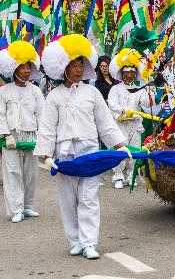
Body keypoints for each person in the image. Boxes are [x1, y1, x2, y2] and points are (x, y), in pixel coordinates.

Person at [34, 34, 128, 260]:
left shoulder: (92, 92)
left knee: (88, 198)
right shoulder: (54, 97)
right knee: (68, 200)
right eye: (73, 65)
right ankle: (74, 240)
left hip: (89, 153)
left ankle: (89, 243)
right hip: (65, 156)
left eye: (80, 65)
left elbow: (104, 122)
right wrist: (45, 155)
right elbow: (47, 127)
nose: (78, 69)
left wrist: (120, 144)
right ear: (63, 67)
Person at [0, 41, 44, 223]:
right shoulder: (4, 91)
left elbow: (43, 115)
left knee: (31, 173)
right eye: (22, 67)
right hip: (11, 137)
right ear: (14, 69)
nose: (26, 71)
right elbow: (0, 114)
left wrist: (43, 138)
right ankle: (16, 208)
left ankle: (28, 205)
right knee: (13, 172)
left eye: (28, 67)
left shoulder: (35, 91)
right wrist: (6, 134)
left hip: (31, 136)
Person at [108, 48, 154, 189]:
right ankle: (118, 177)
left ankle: (131, 176)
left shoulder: (139, 89)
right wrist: (123, 111)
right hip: (120, 123)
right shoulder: (115, 89)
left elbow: (146, 104)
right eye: (127, 72)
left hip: (135, 124)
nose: (130, 75)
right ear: (122, 73)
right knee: (121, 149)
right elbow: (111, 104)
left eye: (132, 72)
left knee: (134, 149)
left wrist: (149, 93)